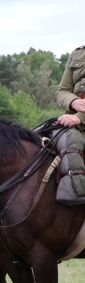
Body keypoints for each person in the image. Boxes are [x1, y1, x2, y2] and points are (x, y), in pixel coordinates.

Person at [54, 43, 85, 205]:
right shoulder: (78, 53)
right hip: (71, 120)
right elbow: (62, 90)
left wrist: (81, 117)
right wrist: (73, 101)